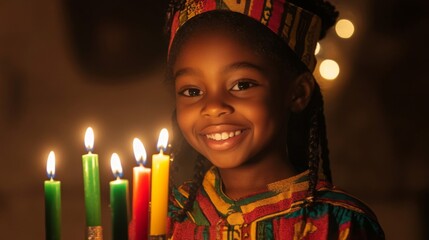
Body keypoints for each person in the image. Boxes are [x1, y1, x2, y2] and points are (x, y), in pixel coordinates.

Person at [165, 0, 385, 239]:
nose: (214, 107)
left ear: (298, 92)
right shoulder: (169, 215)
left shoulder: (336, 223)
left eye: (242, 85)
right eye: (192, 91)